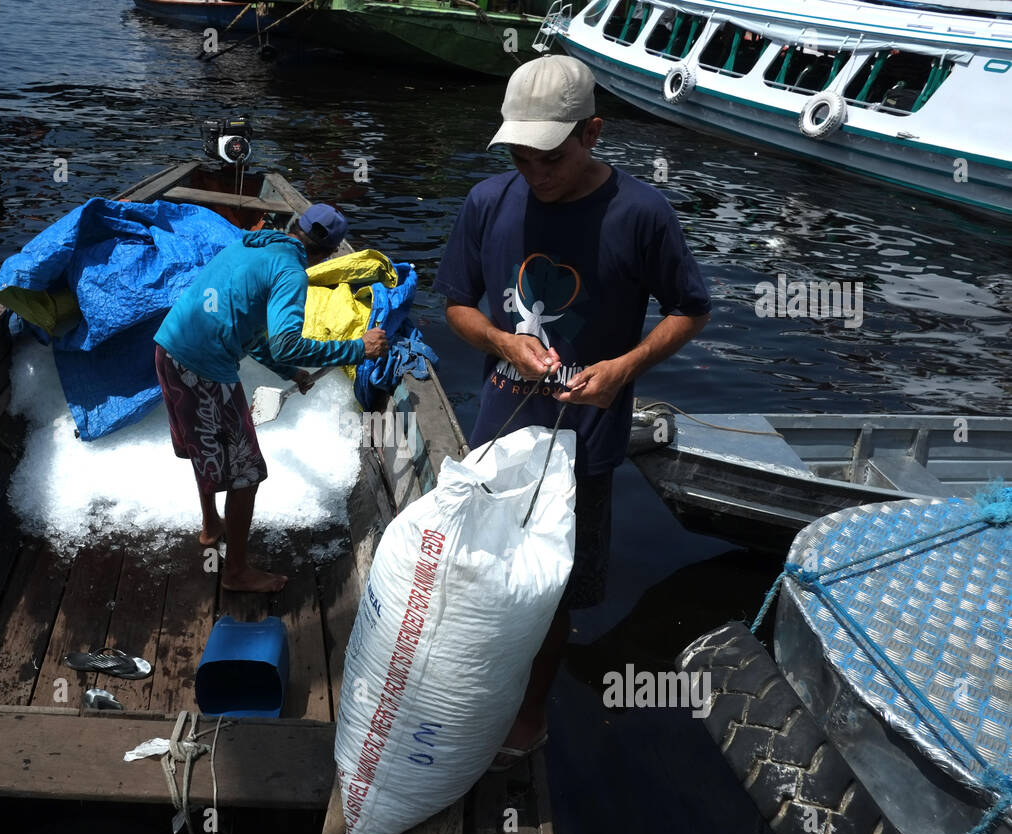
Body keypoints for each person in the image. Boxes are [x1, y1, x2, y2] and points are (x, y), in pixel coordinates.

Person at [433, 55, 712, 769]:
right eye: (518, 156)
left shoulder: (640, 213)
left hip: (582, 446)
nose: (533, 172)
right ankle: (475, 685)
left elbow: (690, 308)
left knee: (554, 589)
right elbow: (458, 304)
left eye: (548, 156)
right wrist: (501, 340)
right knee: (482, 569)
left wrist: (624, 368)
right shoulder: (488, 203)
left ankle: (530, 717)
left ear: (592, 132)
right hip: (497, 432)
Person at [154, 204, 389, 593]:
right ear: (328, 253)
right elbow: (286, 343)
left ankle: (212, 527)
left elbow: (248, 327)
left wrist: (288, 373)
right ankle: (236, 573)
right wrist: (356, 349)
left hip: (167, 349)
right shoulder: (291, 272)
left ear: (295, 227)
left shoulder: (248, 245)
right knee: (247, 474)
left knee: (203, 447)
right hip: (203, 369)